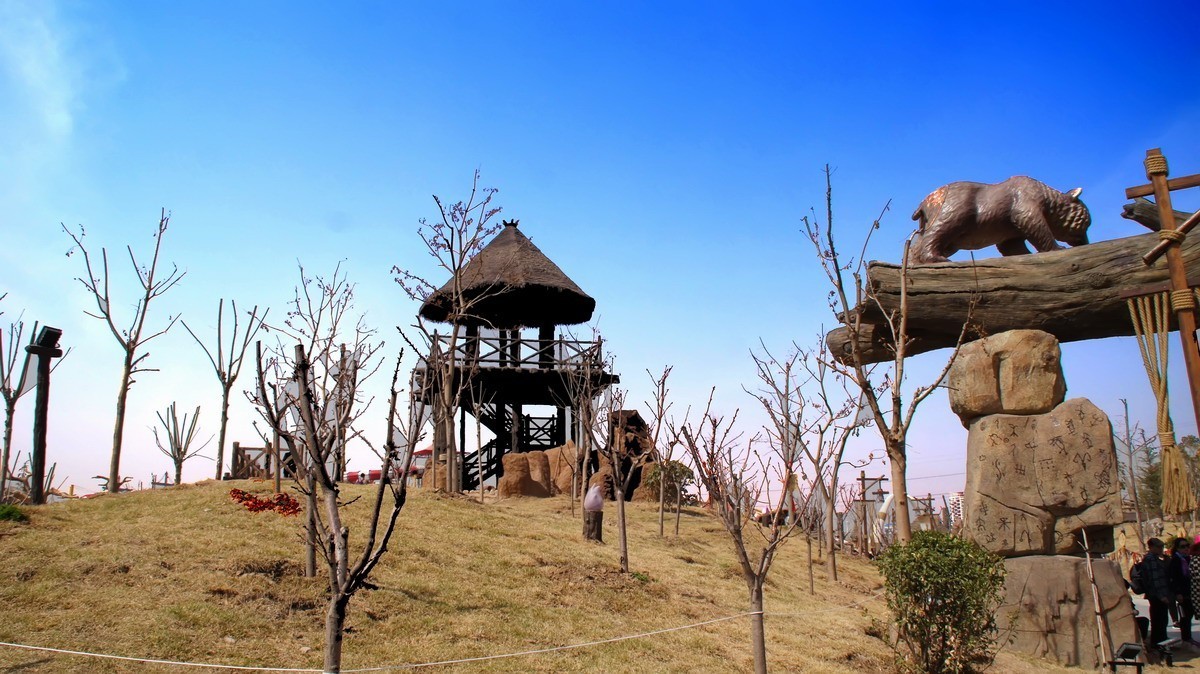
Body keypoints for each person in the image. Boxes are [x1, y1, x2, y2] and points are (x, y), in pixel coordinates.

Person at [1139, 537, 1175, 647]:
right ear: (1151, 547)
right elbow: (1155, 580)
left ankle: (1161, 641)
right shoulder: (1151, 559)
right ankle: (1158, 642)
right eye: (1158, 547)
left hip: (1158, 594)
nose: (1161, 549)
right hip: (1157, 595)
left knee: (1161, 620)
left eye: (1162, 547)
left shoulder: (1156, 558)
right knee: (1159, 620)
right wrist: (1161, 596)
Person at [1170, 537, 1194, 643]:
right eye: (1182, 546)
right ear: (1177, 548)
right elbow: (1173, 578)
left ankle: (1188, 637)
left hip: (1190, 591)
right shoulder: (1175, 560)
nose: (1186, 548)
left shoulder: (1188, 559)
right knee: (1185, 616)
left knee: (1189, 615)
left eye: (1187, 546)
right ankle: (1186, 639)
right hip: (1181, 593)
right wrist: (1178, 593)